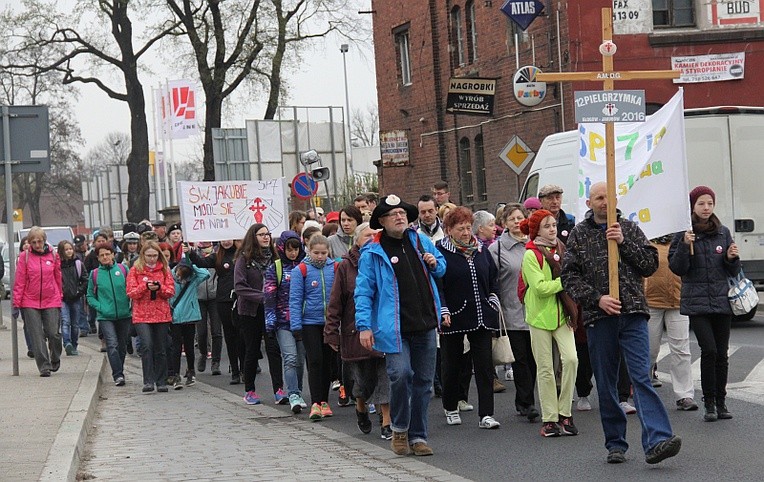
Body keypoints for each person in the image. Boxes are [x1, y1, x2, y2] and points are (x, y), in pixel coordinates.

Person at [561, 181, 681, 464]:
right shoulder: (579, 235)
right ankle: (616, 443)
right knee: (606, 382)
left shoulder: (629, 228)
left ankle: (658, 440)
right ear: (589, 203)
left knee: (640, 377)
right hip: (599, 318)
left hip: (634, 313)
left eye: (609, 196)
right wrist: (597, 299)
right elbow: (569, 277)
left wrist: (624, 244)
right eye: (599, 197)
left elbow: (650, 264)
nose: (605, 201)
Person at [355, 194, 446, 456]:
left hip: (425, 324)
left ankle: (418, 436)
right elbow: (363, 292)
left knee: (423, 383)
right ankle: (399, 429)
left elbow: (441, 266)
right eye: (393, 214)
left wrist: (434, 262)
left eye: (403, 213)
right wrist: (364, 326)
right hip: (394, 329)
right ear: (382, 220)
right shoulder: (372, 251)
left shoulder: (419, 240)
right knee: (401, 375)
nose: (400, 217)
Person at [669, 185, 739, 422]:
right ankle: (708, 402)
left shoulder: (723, 232)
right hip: (697, 303)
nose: (706, 208)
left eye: (709, 203)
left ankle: (721, 402)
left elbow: (733, 269)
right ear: (693, 207)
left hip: (722, 301)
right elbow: (678, 269)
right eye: (701, 203)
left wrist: (731, 258)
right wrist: (683, 246)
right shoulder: (684, 233)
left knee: (722, 354)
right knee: (708, 350)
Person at [326, 222, 393, 439]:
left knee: (384, 376)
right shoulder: (345, 267)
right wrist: (331, 331)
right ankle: (361, 408)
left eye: (376, 235)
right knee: (361, 381)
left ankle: (386, 422)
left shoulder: (384, 260)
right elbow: (336, 301)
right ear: (357, 240)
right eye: (368, 236)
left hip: (382, 329)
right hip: (354, 331)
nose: (373, 239)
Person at [437, 207, 501, 429]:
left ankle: (486, 414)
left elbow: (493, 278)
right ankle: (451, 406)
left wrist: (493, 299)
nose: (465, 233)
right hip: (453, 317)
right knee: (452, 365)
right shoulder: (441, 252)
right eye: (460, 229)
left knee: (484, 366)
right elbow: (439, 285)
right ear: (449, 230)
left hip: (481, 314)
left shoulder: (481, 249)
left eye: (467, 227)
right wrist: (443, 309)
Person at [520, 209, 579, 437]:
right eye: (547, 226)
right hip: (539, 317)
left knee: (571, 359)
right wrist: (565, 282)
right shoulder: (530, 254)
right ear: (537, 230)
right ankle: (550, 419)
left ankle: (565, 412)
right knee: (545, 369)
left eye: (554, 225)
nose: (553, 229)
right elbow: (540, 288)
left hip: (562, 314)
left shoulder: (562, 249)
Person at [488, 203, 540, 421]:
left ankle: (526, 399)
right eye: (512, 219)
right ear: (504, 224)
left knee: (535, 359)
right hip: (510, 312)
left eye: (520, 217)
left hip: (536, 311)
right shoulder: (496, 249)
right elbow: (491, 282)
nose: (517, 222)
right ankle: (526, 403)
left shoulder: (534, 244)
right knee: (520, 361)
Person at [645, 235, 698, 411]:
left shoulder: (681, 239)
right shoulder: (647, 238)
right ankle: (642, 388)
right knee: (649, 350)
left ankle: (685, 395)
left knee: (681, 350)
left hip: (678, 301)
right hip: (651, 302)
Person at [290, 234, 337, 421]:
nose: (320, 256)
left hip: (329, 322)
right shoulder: (301, 270)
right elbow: (295, 300)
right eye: (316, 252)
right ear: (308, 251)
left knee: (328, 361)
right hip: (309, 322)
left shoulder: (334, 267)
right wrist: (296, 326)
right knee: (315, 360)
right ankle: (315, 402)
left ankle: (324, 401)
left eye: (323, 253)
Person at [189, 239, 244, 384]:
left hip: (241, 299)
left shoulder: (241, 254)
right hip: (223, 299)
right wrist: (190, 253)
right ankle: (235, 371)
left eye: (229, 238)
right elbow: (201, 263)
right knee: (230, 336)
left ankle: (245, 368)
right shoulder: (217, 256)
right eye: (223, 239)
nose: (226, 242)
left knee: (242, 335)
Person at [234, 223, 277, 405]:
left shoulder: (275, 258)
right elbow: (240, 287)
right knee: (252, 349)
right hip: (250, 311)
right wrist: (262, 297)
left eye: (267, 234)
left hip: (272, 309)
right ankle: (249, 390)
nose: (266, 237)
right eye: (261, 235)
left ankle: (279, 389)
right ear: (253, 237)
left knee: (274, 349)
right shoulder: (244, 259)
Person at [265, 231, 308, 413]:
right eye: (289, 249)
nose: (293, 253)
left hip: (304, 320)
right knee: (289, 358)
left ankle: (297, 389)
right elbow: (269, 296)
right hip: (283, 322)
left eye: (296, 249)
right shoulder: (275, 268)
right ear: (282, 248)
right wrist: (270, 320)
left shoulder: (306, 266)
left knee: (299, 360)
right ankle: (293, 394)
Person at [126, 241, 176, 393]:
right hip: (142, 314)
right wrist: (144, 286)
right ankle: (148, 381)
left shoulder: (165, 270)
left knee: (161, 348)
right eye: (149, 256)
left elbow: (171, 291)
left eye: (155, 255)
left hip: (161, 314)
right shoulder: (135, 270)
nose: (152, 259)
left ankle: (161, 381)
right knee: (147, 346)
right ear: (143, 255)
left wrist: (160, 288)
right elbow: (131, 292)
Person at [13, 227, 63, 377]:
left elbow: (58, 277)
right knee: (36, 335)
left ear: (44, 240)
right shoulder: (25, 257)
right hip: (30, 300)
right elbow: (20, 281)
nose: (37, 244)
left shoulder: (53, 255)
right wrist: (17, 303)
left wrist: (59, 296)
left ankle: (55, 357)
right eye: (33, 242)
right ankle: (44, 366)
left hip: (51, 298)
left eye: (39, 241)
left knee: (53, 333)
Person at [87, 244, 132, 386]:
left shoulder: (123, 269)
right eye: (102, 255)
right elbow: (90, 296)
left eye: (107, 254)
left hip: (124, 314)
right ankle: (118, 375)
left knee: (122, 346)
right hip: (106, 317)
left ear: (113, 254)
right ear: (98, 258)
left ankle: (120, 369)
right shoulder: (94, 274)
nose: (105, 257)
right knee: (112, 344)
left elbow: (132, 288)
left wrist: (130, 304)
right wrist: (100, 307)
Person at [168, 256, 210, 388]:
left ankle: (191, 371)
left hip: (189, 316)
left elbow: (206, 274)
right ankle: (175, 374)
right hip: (175, 316)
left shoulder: (193, 278)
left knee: (189, 346)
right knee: (176, 346)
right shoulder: (169, 276)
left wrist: (193, 265)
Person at [194, 241, 222, 374]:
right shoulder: (194, 257)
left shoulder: (217, 257)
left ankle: (216, 361)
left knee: (216, 331)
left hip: (214, 297)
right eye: (203, 247)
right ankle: (203, 353)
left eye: (207, 247)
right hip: (199, 298)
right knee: (202, 331)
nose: (205, 249)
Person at [59, 240, 88, 356]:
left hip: (76, 297)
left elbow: (85, 279)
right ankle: (67, 343)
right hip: (63, 298)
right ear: (61, 251)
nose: (69, 251)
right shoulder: (58, 265)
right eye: (66, 249)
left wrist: (79, 291)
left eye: (70, 249)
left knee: (75, 323)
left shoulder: (78, 264)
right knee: (65, 321)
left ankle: (74, 344)